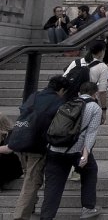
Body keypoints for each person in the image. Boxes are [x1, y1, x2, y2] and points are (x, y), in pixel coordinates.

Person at [2, 75, 69, 220]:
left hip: (21, 141)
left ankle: (31, 205)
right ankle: (20, 216)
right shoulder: (57, 102)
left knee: (29, 176)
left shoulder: (35, 95)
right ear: (62, 89)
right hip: (36, 146)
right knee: (32, 182)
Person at [40, 79, 103, 220]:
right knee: (90, 171)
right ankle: (88, 207)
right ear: (95, 94)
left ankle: (46, 217)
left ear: (80, 92)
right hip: (76, 151)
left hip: (54, 149)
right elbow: (91, 133)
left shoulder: (67, 103)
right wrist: (86, 155)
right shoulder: (94, 108)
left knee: (53, 187)